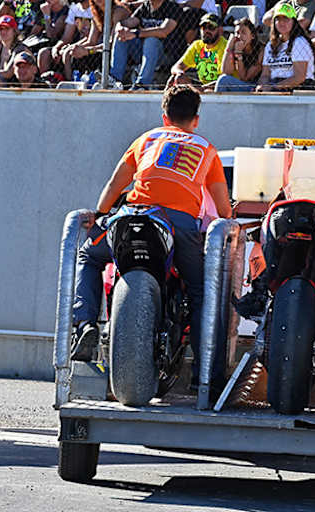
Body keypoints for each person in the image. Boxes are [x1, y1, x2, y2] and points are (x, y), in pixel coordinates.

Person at [71, 85, 232, 395]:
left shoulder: (146, 139)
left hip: (132, 215)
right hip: (178, 225)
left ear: (164, 116)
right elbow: (223, 208)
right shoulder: (207, 149)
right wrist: (229, 216)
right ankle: (204, 375)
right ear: (196, 120)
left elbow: (115, 184)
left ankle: (85, 325)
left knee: (88, 256)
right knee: (201, 291)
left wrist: (99, 214)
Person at [109, 0, 180, 89]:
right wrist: (120, 28)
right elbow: (128, 22)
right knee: (121, 36)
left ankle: (142, 84)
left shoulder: (172, 7)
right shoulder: (145, 6)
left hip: (165, 55)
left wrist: (136, 33)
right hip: (143, 53)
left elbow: (163, 31)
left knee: (151, 40)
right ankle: (114, 80)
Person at [255, 2, 315, 91]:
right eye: (278, 19)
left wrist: (273, 87)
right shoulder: (270, 44)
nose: (282, 22)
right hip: (275, 85)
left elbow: (299, 78)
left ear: (293, 22)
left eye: (286, 19)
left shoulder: (299, 42)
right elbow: (265, 75)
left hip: (297, 88)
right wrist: (262, 86)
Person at [170, 12, 226, 88]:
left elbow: (223, 80)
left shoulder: (225, 46)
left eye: (211, 27)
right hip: (203, 86)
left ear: (220, 30)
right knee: (176, 78)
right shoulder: (197, 45)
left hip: (223, 88)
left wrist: (202, 89)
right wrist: (180, 73)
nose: (206, 31)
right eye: (203, 27)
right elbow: (176, 67)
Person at [214, 17, 262, 91]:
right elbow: (226, 71)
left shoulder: (261, 50)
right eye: (237, 33)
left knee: (224, 80)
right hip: (241, 84)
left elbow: (245, 78)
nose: (239, 36)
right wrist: (229, 47)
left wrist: (239, 55)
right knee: (223, 79)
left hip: (255, 87)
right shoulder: (235, 47)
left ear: (252, 36)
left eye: (243, 32)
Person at [0, 14, 28, 79]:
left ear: (14, 31)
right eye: (1, 29)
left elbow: (8, 73)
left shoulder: (20, 48)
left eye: (7, 28)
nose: (3, 31)